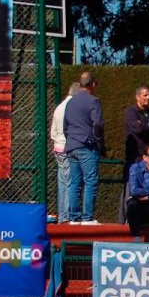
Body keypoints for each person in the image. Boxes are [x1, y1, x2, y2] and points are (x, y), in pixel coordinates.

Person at [63, 71, 104, 225]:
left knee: (75, 183)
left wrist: (72, 139)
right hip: (87, 145)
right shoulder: (94, 101)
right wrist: (99, 143)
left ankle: (74, 217)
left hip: (71, 146)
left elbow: (65, 126)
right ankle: (87, 218)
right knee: (90, 181)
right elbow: (98, 125)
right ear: (93, 84)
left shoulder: (70, 102)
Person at [121, 85, 149, 222]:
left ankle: (145, 221)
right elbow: (138, 129)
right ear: (137, 97)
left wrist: (147, 127)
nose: (148, 97)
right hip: (134, 158)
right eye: (145, 95)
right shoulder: (131, 112)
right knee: (131, 190)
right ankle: (126, 221)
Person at [50, 82, 82, 221]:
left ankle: (63, 215)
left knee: (63, 183)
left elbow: (53, 133)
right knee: (71, 182)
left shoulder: (59, 107)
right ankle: (67, 216)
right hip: (67, 147)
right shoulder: (72, 107)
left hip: (58, 147)